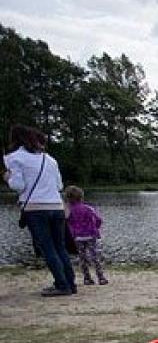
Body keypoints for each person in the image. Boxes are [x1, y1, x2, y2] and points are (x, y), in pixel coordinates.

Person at [3, 125, 75, 296]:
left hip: (35, 208)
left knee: (47, 247)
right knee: (60, 247)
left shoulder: (14, 158)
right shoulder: (49, 159)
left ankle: (61, 285)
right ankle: (70, 283)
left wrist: (8, 178)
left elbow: (18, 185)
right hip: (56, 206)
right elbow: (59, 185)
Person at [64, 185, 108, 285]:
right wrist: (95, 228)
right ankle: (101, 278)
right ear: (81, 197)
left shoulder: (69, 210)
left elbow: (66, 221)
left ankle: (87, 278)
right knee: (95, 256)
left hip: (77, 237)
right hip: (90, 235)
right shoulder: (88, 208)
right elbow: (98, 220)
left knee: (82, 257)